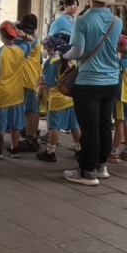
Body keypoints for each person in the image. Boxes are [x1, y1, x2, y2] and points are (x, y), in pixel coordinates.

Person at [63, 0, 123, 187]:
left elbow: (77, 51)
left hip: (88, 81)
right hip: (112, 80)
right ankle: (101, 166)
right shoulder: (117, 21)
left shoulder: (83, 20)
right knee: (105, 124)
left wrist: (63, 55)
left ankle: (87, 171)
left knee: (89, 128)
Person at [0, 22, 28, 156]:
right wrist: (20, 35)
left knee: (0, 124)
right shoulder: (22, 50)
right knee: (16, 124)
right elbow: (31, 41)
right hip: (17, 93)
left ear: (1, 37)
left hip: (2, 93)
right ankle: (15, 148)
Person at [38, 34, 80, 163]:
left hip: (57, 99)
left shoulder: (54, 63)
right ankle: (80, 149)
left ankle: (50, 151)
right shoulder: (73, 62)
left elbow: (49, 83)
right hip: (71, 98)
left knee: (54, 127)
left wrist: (41, 89)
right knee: (74, 126)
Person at [16, 14, 43, 150]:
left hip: (27, 79)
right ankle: (33, 135)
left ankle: (30, 139)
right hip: (34, 78)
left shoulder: (24, 40)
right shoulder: (36, 39)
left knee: (29, 111)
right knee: (34, 110)